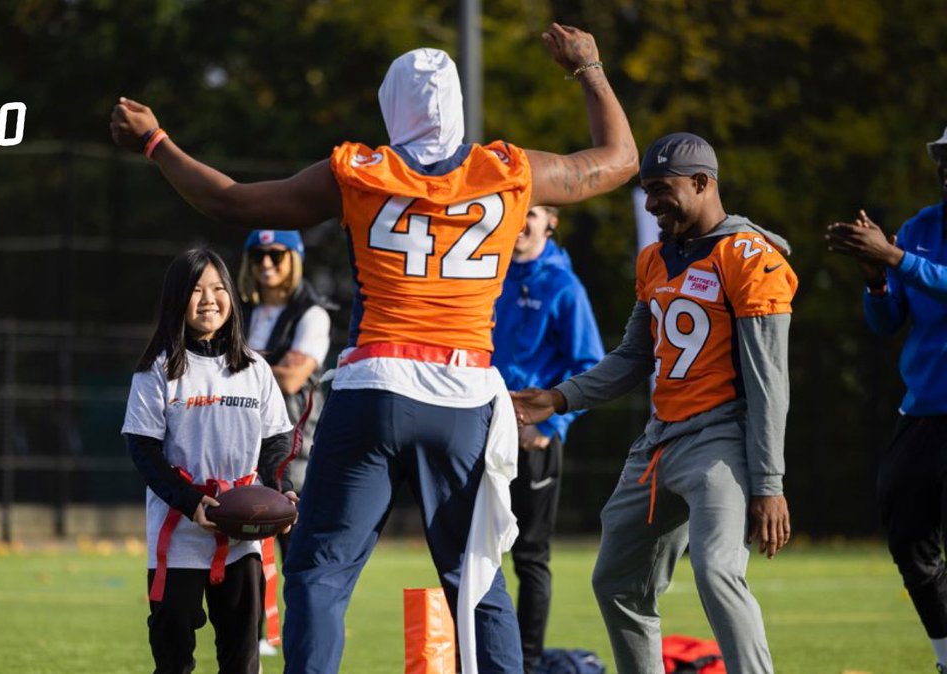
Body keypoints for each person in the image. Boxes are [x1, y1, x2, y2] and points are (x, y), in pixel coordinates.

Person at [110, 24, 638, 674]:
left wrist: (157, 144)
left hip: (377, 386)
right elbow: (617, 159)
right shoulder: (508, 171)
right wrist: (587, 66)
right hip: (465, 393)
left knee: (319, 571)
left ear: (394, 108)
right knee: (477, 578)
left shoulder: (361, 171)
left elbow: (230, 201)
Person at [513, 133, 797, 674]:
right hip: (660, 440)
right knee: (616, 581)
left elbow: (769, 380)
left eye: (662, 190)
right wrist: (558, 396)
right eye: (646, 191)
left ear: (702, 183)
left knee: (717, 571)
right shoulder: (657, 259)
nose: (651, 204)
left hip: (720, 440)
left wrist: (769, 483)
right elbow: (632, 358)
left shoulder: (747, 256)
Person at [121, 248, 296, 674]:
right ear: (176, 299)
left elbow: (277, 439)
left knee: (241, 657)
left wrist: (278, 492)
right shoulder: (157, 369)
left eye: (219, 288)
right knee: (173, 654)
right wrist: (190, 502)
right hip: (179, 533)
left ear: (233, 298)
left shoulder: (254, 367)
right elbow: (143, 450)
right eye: (196, 290)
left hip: (243, 531)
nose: (209, 299)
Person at [826, 125, 947, 674]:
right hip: (923, 411)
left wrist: (896, 259)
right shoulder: (921, 226)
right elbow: (887, 320)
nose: (944, 166)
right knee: (907, 536)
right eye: (941, 158)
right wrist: (875, 276)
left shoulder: (909, 244)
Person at [491, 206, 603, 672]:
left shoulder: (563, 286)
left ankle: (529, 663)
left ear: (551, 222)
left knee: (530, 557)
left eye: (532, 214)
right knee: (472, 552)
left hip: (533, 441)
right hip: (483, 433)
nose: (521, 223)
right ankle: (480, 656)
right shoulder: (488, 274)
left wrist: (549, 425)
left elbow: (590, 365)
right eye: (517, 212)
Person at [238, 229, 333, 506]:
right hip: (240, 443)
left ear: (294, 258)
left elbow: (291, 379)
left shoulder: (312, 314)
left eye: (275, 255)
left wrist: (232, 366)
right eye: (258, 255)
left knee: (293, 543)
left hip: (291, 451)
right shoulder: (236, 311)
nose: (266, 263)